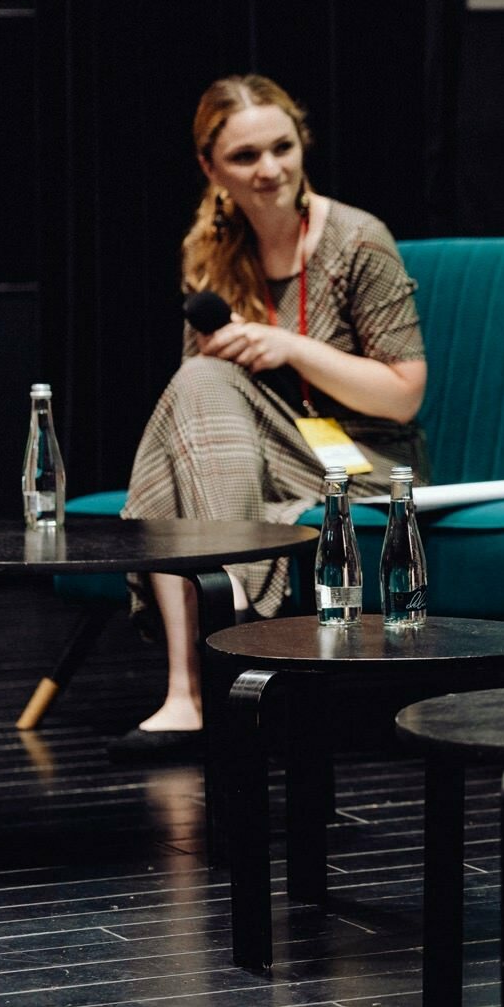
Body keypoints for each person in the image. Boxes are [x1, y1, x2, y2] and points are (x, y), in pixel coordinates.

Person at [110, 75, 428, 760]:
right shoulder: (211, 252)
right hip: (253, 456)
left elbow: (404, 393)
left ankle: (206, 676)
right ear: (211, 168)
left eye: (282, 147)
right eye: (246, 157)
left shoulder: (357, 240)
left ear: (302, 142)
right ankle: (197, 690)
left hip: (364, 459)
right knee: (193, 393)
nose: (271, 170)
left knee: (193, 394)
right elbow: (197, 412)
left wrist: (290, 346)